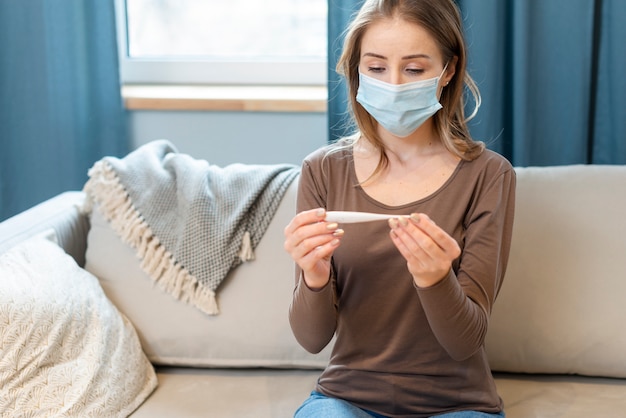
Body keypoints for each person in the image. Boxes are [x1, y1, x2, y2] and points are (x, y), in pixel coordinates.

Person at [283, 0, 516, 416]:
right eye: (375, 68)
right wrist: (314, 279)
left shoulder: (487, 175)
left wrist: (435, 279)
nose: (393, 84)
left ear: (447, 71)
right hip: (344, 399)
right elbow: (311, 339)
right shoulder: (322, 171)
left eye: (413, 70)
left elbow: (465, 341)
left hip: (458, 404)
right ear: (356, 71)